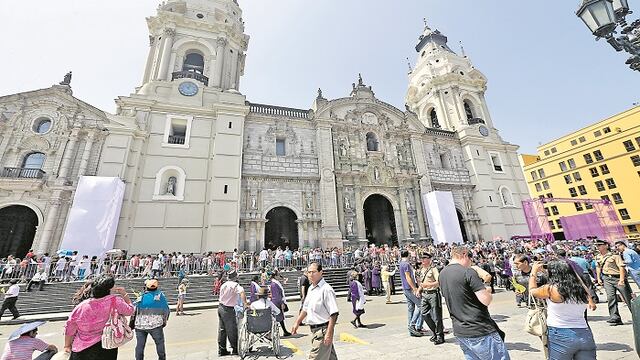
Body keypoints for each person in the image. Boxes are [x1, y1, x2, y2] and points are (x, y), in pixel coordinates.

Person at [439, 246, 510, 360]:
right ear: (464, 255)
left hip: (460, 330)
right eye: (471, 258)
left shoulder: (442, 274)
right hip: (479, 329)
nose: (471, 262)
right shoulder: (468, 271)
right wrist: (487, 287)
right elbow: (486, 300)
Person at [529, 260, 598, 359]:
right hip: (584, 333)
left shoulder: (551, 289)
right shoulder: (582, 289)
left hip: (560, 333)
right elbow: (579, 280)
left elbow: (532, 291)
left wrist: (533, 272)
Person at [64, 274, 134, 359]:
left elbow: (70, 327)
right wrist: (125, 295)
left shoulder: (82, 306)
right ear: (109, 289)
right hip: (106, 346)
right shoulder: (115, 301)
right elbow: (130, 310)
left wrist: (67, 345)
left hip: (81, 348)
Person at [292, 262, 339, 360]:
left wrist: (329, 333)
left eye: (314, 272)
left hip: (323, 331)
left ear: (321, 272)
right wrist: (297, 322)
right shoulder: (311, 289)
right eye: (309, 272)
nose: (311, 274)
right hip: (314, 330)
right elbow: (305, 308)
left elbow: (334, 313)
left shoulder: (326, 289)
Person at [595, 239, 633, 326]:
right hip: (607, 279)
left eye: (600, 245)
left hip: (618, 278)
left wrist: (622, 280)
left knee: (628, 298)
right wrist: (598, 278)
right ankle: (615, 317)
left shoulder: (614, 255)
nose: (598, 247)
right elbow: (598, 267)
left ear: (606, 246)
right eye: (597, 246)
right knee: (611, 298)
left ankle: (636, 315)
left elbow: (621, 267)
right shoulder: (597, 256)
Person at [134, 279, 170, 360]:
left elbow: (134, 309)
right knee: (159, 343)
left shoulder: (140, 297)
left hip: (140, 326)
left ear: (146, 287)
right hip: (156, 325)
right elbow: (166, 310)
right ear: (156, 287)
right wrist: (164, 321)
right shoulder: (160, 296)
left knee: (140, 345)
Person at [217, 270, 249, 356]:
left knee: (222, 330)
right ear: (235, 277)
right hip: (228, 309)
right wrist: (245, 304)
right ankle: (235, 349)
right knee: (232, 329)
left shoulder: (224, 284)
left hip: (221, 307)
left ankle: (222, 349)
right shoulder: (235, 285)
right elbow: (242, 292)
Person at [417, 253, 444, 345]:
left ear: (429, 259)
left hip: (433, 294)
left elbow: (439, 281)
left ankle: (440, 335)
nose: (423, 260)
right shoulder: (421, 270)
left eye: (425, 258)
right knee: (423, 313)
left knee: (437, 316)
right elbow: (422, 282)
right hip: (425, 294)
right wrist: (419, 290)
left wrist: (429, 285)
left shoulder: (433, 269)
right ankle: (435, 331)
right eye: (422, 258)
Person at [399, 250, 424, 337]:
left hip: (405, 288)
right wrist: (414, 288)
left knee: (411, 308)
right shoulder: (406, 264)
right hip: (409, 288)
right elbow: (408, 277)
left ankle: (411, 328)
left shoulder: (401, 263)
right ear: (408, 255)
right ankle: (412, 325)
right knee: (421, 305)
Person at [269, 271, 291, 336]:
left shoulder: (275, 283)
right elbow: (276, 295)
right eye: (278, 275)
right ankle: (271, 333)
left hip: (277, 302)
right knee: (278, 318)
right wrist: (282, 303)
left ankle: (284, 331)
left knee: (280, 318)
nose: (280, 277)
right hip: (277, 303)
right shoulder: (274, 284)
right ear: (275, 276)